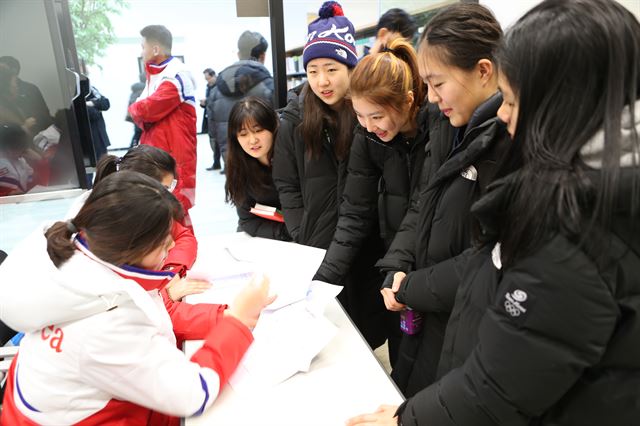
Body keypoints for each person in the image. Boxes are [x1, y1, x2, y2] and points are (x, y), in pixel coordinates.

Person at [348, 0, 640, 424]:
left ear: (562, 104)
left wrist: (404, 419)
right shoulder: (578, 180)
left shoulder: (573, 222)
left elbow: (502, 384)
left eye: (515, 101)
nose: (504, 113)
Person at [0, 171, 275, 424]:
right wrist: (238, 321)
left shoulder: (79, 262)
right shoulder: (104, 326)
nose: (170, 247)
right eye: (163, 244)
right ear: (132, 248)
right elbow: (193, 394)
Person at [375, 3, 510, 396]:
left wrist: (410, 288)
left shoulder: (505, 141)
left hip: (466, 328)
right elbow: (424, 201)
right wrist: (397, 264)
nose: (432, 98)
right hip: (432, 318)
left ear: (484, 71)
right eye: (426, 86)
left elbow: (490, 258)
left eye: (438, 84)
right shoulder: (449, 124)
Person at [273, 1, 386, 348]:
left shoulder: (370, 115)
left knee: (364, 337)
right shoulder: (293, 120)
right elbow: (286, 183)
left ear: (351, 66)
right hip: (314, 246)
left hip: (366, 248)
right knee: (325, 339)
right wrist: (299, 227)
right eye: (313, 70)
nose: (322, 81)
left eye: (332, 68)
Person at [313, 36, 429, 363]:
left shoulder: (437, 128)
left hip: (428, 262)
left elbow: (423, 205)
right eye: (360, 116)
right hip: (393, 263)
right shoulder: (367, 136)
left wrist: (399, 265)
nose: (368, 126)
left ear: (407, 102)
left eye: (376, 116)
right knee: (400, 356)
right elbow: (353, 213)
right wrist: (323, 280)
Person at [90, 145, 206, 301]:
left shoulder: (142, 208)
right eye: (164, 188)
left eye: (170, 187)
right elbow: (131, 302)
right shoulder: (112, 223)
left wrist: (171, 270)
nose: (167, 195)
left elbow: (184, 236)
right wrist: (168, 294)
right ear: (139, 186)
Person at [128, 25, 198, 226]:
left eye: (143, 47)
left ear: (156, 49)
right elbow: (140, 110)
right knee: (159, 210)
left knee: (176, 210)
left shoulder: (177, 74)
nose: (141, 52)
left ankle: (183, 254)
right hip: (158, 155)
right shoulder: (156, 75)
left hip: (174, 157)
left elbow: (146, 109)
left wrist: (136, 110)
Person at [208, 30, 274, 174]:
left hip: (232, 162)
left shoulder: (216, 89)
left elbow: (212, 131)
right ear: (263, 56)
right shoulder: (269, 86)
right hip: (267, 163)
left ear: (238, 54)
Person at [225, 96, 289, 241]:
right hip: (269, 234)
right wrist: (284, 233)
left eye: (258, 130)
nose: (252, 140)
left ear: (273, 127)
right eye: (243, 134)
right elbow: (247, 219)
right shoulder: (237, 165)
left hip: (302, 232)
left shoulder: (291, 154)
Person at [0, 56, 52, 133]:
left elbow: (44, 114)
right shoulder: (3, 107)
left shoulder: (30, 89)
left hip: (38, 135)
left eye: (3, 68)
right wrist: (23, 128)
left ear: (14, 71)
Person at [201, 68, 221, 170]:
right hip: (210, 118)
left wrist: (207, 101)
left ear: (213, 76)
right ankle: (216, 163)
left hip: (219, 118)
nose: (207, 81)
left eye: (208, 78)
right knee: (213, 142)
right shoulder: (208, 87)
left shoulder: (220, 87)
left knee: (222, 143)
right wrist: (203, 104)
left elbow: (218, 102)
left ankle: (226, 166)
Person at [86, 85, 111, 161]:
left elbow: (105, 104)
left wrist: (91, 103)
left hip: (98, 137)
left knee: (103, 166)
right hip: (83, 139)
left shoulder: (88, 87)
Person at [125, 72, 145, 148]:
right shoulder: (143, 90)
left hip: (134, 115)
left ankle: (132, 148)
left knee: (137, 134)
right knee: (138, 133)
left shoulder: (135, 90)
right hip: (140, 116)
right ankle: (132, 149)